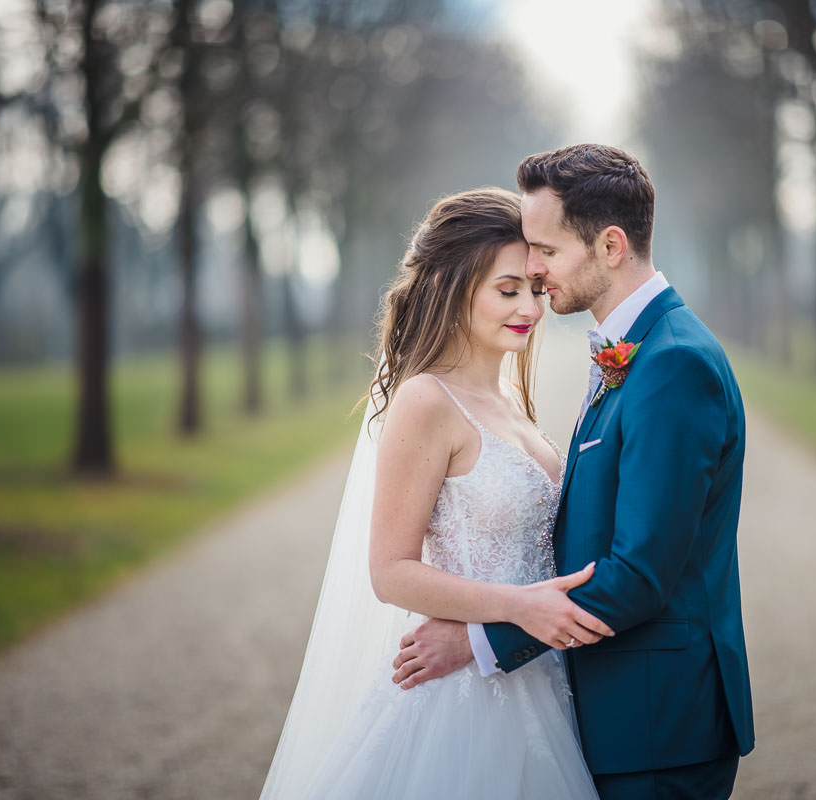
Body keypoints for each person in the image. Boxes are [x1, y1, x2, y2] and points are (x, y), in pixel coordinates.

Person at [392, 145, 755, 800]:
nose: (533, 269)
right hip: (610, 709)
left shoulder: (672, 363)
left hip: (656, 721)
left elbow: (640, 575)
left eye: (547, 252)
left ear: (610, 245)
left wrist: (481, 641)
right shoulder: (634, 347)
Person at [258, 187, 608, 800]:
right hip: (462, 703)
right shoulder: (426, 401)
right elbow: (391, 572)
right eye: (507, 290)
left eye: (532, 287)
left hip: (538, 680)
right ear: (453, 289)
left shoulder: (509, 403)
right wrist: (518, 608)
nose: (529, 305)